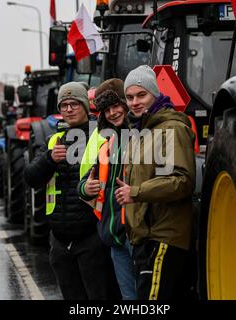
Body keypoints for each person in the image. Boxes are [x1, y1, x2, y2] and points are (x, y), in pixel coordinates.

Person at [24, 82, 120, 300]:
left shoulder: (103, 137)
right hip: (60, 240)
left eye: (74, 104)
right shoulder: (53, 141)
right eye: (64, 105)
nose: (68, 109)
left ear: (86, 106)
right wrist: (49, 160)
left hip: (92, 236)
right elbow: (31, 178)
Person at [115, 65, 196, 300]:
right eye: (129, 97)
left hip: (164, 237)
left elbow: (182, 181)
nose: (135, 102)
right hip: (145, 239)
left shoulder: (171, 129)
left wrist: (137, 192)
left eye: (142, 95)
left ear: (156, 94)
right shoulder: (140, 133)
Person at [78, 79, 137, 300]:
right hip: (114, 236)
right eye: (106, 109)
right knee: (129, 298)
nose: (112, 113)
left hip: (135, 233)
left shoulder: (142, 136)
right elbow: (85, 182)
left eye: (116, 106)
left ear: (125, 103)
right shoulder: (106, 142)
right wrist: (86, 187)